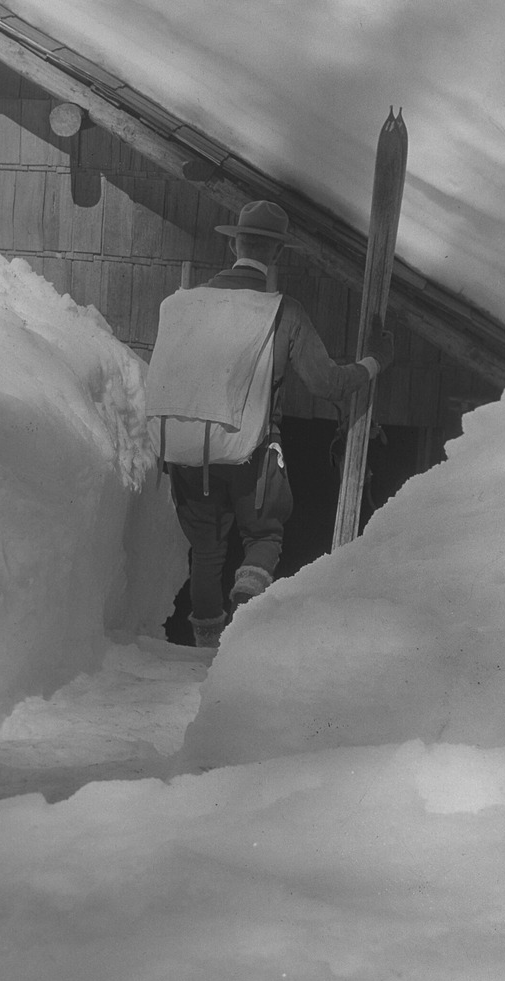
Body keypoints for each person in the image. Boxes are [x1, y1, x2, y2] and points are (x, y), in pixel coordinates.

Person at [167, 199, 395, 653]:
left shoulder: (186, 304)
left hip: (192, 448)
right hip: (253, 450)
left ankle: (205, 647)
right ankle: (247, 605)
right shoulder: (283, 311)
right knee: (264, 534)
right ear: (277, 253)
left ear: (233, 244)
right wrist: (374, 362)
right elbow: (327, 383)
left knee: (206, 551)